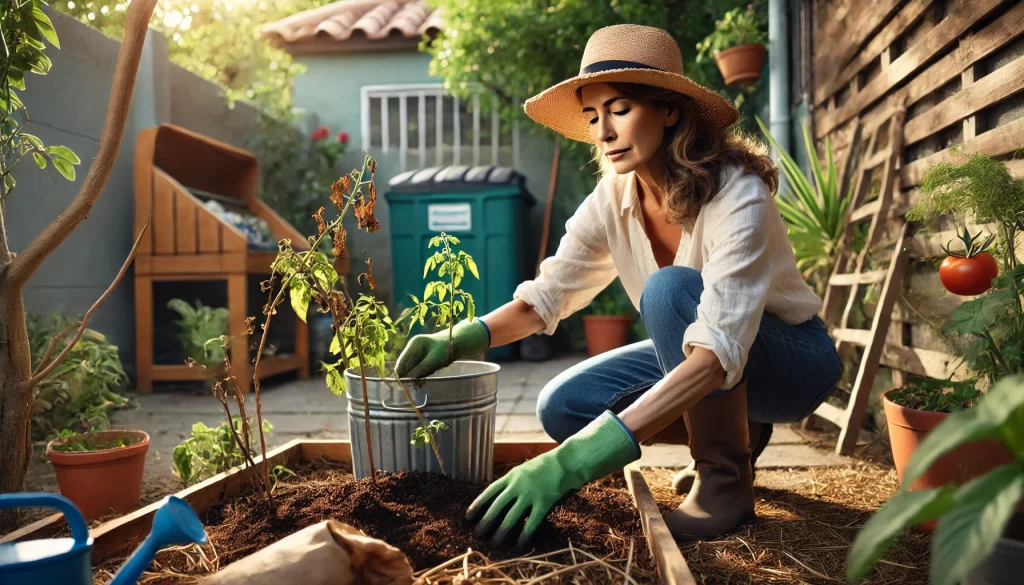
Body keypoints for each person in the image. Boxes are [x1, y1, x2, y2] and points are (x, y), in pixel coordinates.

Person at [395, 23, 842, 547]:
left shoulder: (736, 193)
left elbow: (717, 351)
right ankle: (741, 431)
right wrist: (456, 340)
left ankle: (725, 477)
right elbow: (547, 299)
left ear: (668, 109)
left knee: (671, 290)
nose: (602, 131)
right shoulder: (613, 199)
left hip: (792, 361)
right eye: (592, 116)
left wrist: (573, 463)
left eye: (620, 110)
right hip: (713, 357)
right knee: (565, 405)